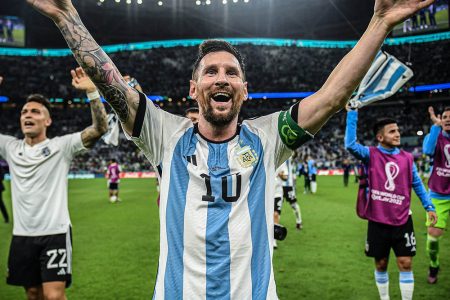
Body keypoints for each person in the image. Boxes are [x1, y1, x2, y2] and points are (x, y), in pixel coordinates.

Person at [29, 0, 437, 297]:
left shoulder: (268, 137)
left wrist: (381, 22)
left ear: (245, 89)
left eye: (232, 72)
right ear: (194, 88)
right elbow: (112, 84)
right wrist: (67, 17)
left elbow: (332, 96)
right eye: (210, 71)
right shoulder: (164, 135)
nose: (221, 78)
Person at [0, 67, 107, 300]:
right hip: (22, 235)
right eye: (25, 112)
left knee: (54, 296)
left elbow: (100, 129)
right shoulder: (10, 147)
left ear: (47, 120)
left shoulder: (62, 146)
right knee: (32, 293)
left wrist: (91, 92)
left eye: (36, 112)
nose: (28, 115)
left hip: (55, 233)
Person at [344, 104, 437, 300]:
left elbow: (417, 184)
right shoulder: (370, 154)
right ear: (380, 137)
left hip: (403, 220)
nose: (397, 134)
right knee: (381, 264)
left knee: (405, 263)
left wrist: (429, 206)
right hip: (377, 220)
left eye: (398, 130)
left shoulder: (407, 158)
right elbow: (350, 144)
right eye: (392, 131)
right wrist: (352, 113)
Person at [422, 106, 450, 284]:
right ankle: (434, 264)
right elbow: (428, 151)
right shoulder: (436, 136)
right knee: (432, 236)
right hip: (439, 195)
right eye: (445, 117)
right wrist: (435, 127)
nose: (448, 119)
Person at [279, 158, 303, 230]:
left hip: (287, 186)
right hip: (276, 186)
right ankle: (274, 225)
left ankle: (299, 222)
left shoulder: (288, 154)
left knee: (293, 204)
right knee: (275, 207)